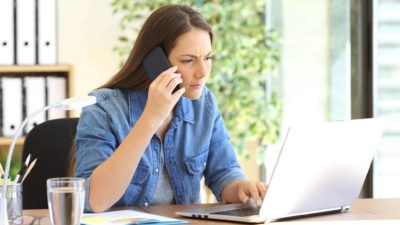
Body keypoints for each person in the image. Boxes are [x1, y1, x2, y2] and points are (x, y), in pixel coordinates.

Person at [74, 4, 267, 213]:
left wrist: (242, 187)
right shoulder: (103, 109)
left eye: (208, 58)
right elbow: (94, 200)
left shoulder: (204, 105)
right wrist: (151, 118)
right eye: (188, 60)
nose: (203, 72)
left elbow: (224, 174)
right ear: (154, 62)